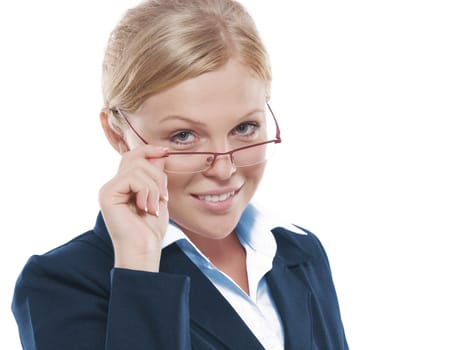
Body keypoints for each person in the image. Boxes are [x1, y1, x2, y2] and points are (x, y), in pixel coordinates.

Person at [11, 0, 349, 349]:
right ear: (117, 134)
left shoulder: (301, 253)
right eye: (183, 136)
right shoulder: (61, 285)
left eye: (245, 127)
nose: (223, 169)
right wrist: (139, 264)